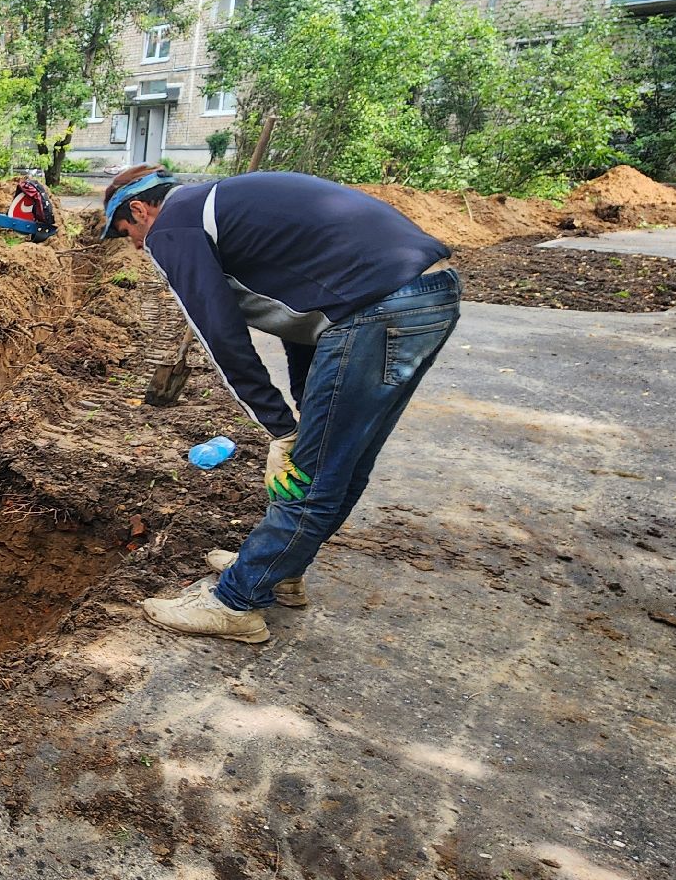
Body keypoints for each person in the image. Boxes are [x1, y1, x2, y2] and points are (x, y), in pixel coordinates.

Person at [100, 163, 459, 643]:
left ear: (140, 209)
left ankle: (235, 602)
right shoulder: (220, 206)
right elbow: (302, 310)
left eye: (126, 232)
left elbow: (221, 335)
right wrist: (304, 409)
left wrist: (281, 430)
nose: (135, 247)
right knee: (344, 458)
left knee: (314, 469)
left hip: (377, 309)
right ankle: (279, 567)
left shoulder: (173, 226)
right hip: (424, 295)